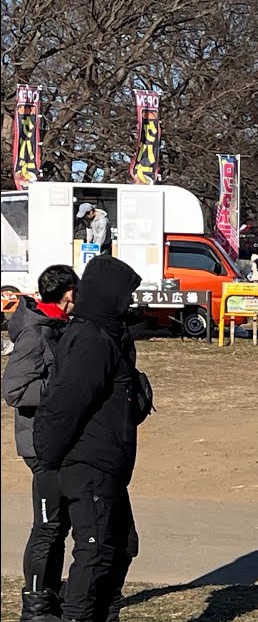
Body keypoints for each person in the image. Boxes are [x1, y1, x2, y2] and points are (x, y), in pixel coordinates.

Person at [34, 256, 145, 622]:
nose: (130, 302)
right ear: (108, 294)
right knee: (94, 551)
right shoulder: (89, 339)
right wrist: (48, 459)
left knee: (123, 545)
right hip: (88, 463)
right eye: (126, 295)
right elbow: (63, 405)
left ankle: (104, 612)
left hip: (109, 463)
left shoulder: (109, 335)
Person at [3, 265, 78, 620]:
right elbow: (13, 391)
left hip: (58, 440)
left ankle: (49, 595)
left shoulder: (59, 328)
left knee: (59, 525)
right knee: (47, 526)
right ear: (68, 294)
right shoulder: (36, 334)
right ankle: (34, 604)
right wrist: (59, 391)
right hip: (39, 444)